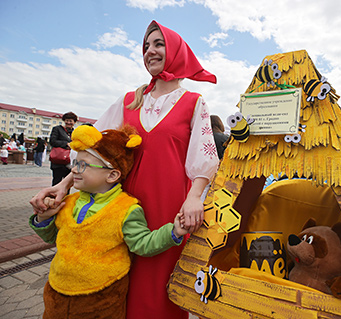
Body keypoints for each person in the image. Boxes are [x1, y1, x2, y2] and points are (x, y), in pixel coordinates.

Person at [30, 20, 218, 319]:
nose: (150, 51)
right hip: (120, 204)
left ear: (176, 51)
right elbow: (92, 146)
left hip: (167, 204)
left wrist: (194, 197)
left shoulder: (194, 103)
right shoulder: (130, 100)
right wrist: (64, 185)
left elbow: (203, 158)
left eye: (158, 44)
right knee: (115, 273)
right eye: (146, 46)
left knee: (159, 281)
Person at [30, 125, 188, 318]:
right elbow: (54, 237)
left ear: (112, 175)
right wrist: (43, 218)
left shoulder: (126, 209)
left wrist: (174, 231)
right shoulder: (68, 202)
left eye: (82, 165)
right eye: (75, 163)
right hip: (57, 291)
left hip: (102, 298)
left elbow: (142, 244)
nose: (74, 171)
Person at [49, 112, 77, 185]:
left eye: (70, 121)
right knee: (56, 182)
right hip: (58, 160)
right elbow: (52, 141)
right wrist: (66, 144)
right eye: (67, 120)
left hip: (69, 161)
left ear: (74, 122)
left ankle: (66, 196)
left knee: (67, 183)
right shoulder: (57, 129)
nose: (68, 122)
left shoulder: (75, 132)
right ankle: (54, 196)